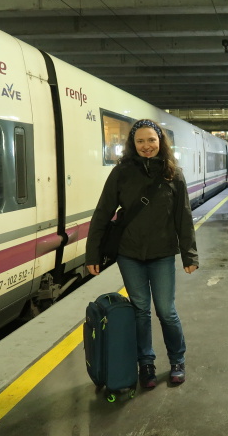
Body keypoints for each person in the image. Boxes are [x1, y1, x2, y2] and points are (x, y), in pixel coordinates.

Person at [86, 118, 198, 388]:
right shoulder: (121, 173)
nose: (146, 146)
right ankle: (145, 363)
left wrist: (189, 255)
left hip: (161, 253)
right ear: (132, 144)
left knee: (166, 311)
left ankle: (177, 360)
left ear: (160, 142)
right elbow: (103, 213)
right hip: (130, 253)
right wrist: (92, 255)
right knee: (140, 311)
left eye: (151, 140)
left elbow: (183, 217)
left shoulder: (173, 173)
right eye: (140, 141)